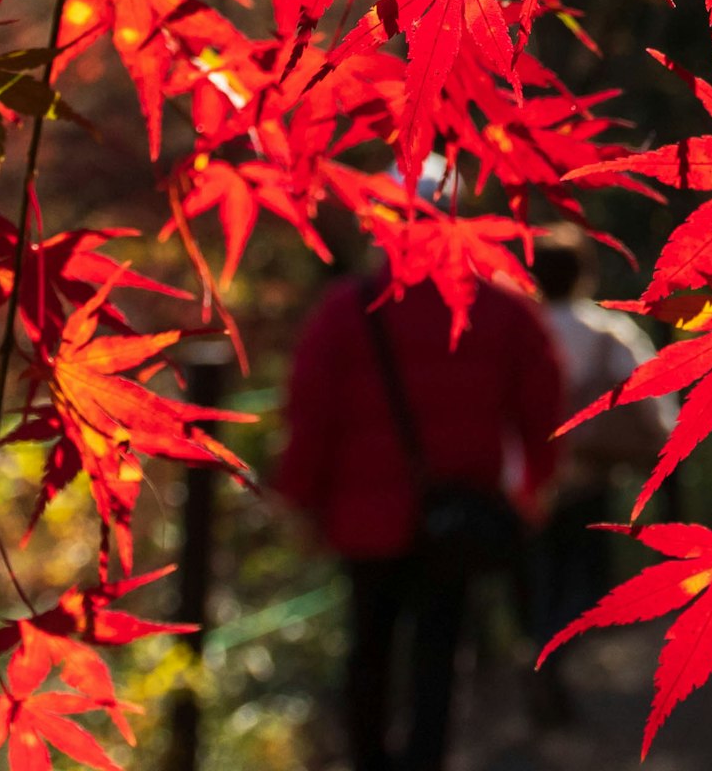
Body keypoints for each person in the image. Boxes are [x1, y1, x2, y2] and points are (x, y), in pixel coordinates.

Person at [274, 250, 564, 771]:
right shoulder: (502, 305)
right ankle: (427, 756)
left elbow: (311, 410)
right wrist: (534, 482)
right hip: (459, 512)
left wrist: (301, 499)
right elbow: (542, 396)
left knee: (369, 645)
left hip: (365, 515)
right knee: (442, 645)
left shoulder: (348, 307)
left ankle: (369, 757)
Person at [523, 230, 663, 720]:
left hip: (529, 483)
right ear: (584, 274)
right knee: (587, 579)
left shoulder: (517, 328)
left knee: (540, 579)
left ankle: (540, 654)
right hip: (588, 476)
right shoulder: (607, 332)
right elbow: (654, 401)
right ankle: (553, 658)